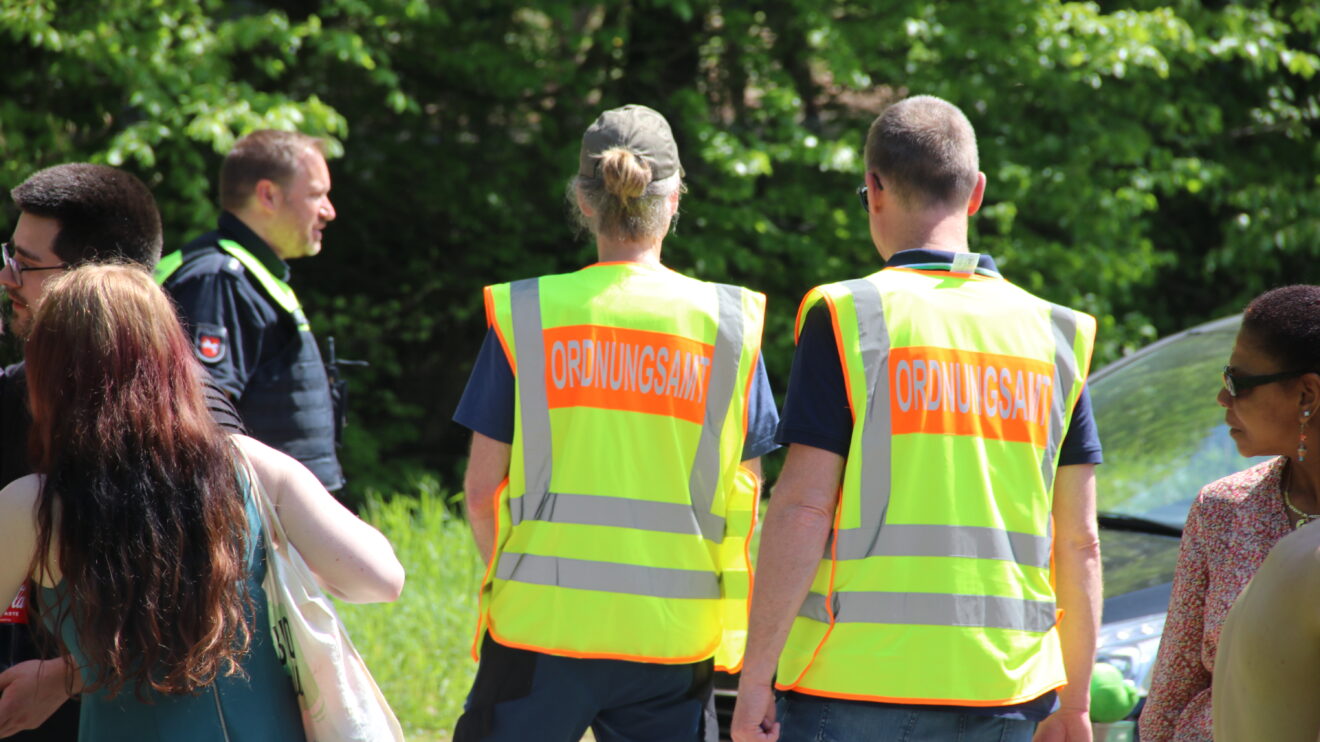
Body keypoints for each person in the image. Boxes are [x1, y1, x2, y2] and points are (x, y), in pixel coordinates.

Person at [731, 95, 1104, 742]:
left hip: (851, 684)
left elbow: (802, 509)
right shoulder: (1056, 334)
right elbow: (1079, 542)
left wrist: (755, 674)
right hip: (1004, 691)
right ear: (977, 192)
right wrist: (1072, 704)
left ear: (873, 187)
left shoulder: (848, 316)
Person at [451, 104, 779, 742]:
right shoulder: (730, 326)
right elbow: (749, 497)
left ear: (582, 199)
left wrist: (526, 576)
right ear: (676, 195)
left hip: (539, 629)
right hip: (672, 640)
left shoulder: (531, 314)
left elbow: (482, 490)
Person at [0, 264, 404, 741]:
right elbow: (380, 578)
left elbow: (138, 650)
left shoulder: (34, 505)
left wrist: (68, 672)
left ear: (47, 377)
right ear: (175, 359)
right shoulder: (252, 467)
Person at [0, 162, 243, 741]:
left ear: (95, 281)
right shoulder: (12, 393)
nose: (7, 278)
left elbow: (215, 606)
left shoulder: (202, 423)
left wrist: (68, 676)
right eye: (9, 257)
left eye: (26, 265)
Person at [1141, 285, 1320, 742]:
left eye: (1238, 381)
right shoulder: (1222, 509)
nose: (1223, 398)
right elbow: (1168, 704)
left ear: (1307, 394)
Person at [157, 129, 344, 491]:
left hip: (279, 518)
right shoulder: (218, 280)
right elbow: (202, 426)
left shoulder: (250, 275)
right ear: (268, 195)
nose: (329, 211)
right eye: (317, 195)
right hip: (253, 524)